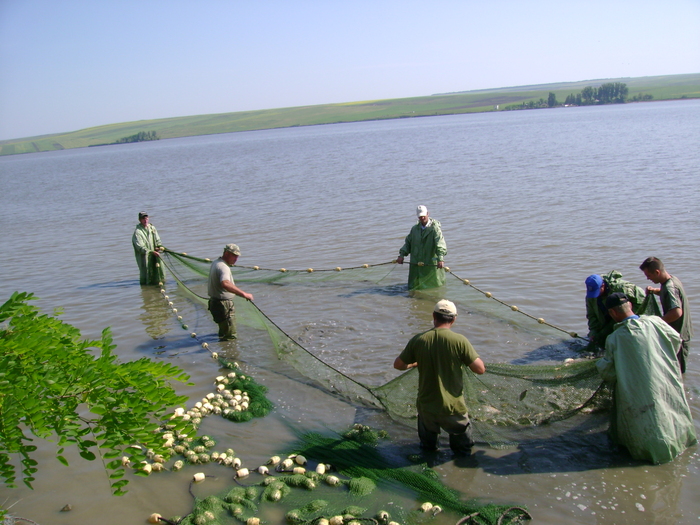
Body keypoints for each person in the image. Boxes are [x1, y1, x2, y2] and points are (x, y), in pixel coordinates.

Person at [596, 292, 696, 464]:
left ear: (612, 313)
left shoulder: (615, 338)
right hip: (665, 378)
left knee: (648, 419)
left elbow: (609, 372)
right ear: (631, 306)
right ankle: (683, 442)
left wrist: (598, 364)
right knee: (672, 409)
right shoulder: (656, 321)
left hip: (640, 391)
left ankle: (652, 452)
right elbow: (676, 340)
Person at [393, 299, 485, 454]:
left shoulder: (419, 340)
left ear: (433, 316)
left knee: (427, 450)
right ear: (454, 319)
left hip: (426, 406)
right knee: (463, 452)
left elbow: (398, 365)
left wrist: (413, 364)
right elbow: (480, 369)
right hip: (453, 407)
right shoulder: (460, 341)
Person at [639, 257, 693, 373]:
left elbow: (677, 312)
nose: (648, 278)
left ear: (657, 272)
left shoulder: (669, 287)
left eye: (649, 275)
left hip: (680, 336)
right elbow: (668, 294)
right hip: (679, 333)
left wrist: (657, 322)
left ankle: (681, 390)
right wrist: (654, 290)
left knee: (677, 371)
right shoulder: (671, 280)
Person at [585, 270, 646, 349]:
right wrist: (593, 333)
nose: (596, 295)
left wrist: (626, 316)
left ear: (603, 285)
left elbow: (641, 301)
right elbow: (591, 315)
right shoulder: (591, 296)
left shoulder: (621, 288)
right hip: (607, 319)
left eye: (597, 291)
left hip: (623, 319)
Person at [208, 244, 254, 341]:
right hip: (224, 305)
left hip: (215, 303)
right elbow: (225, 283)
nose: (236, 259)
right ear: (226, 253)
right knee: (230, 337)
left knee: (223, 331)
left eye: (237, 256)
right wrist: (244, 294)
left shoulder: (216, 262)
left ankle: (222, 348)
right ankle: (228, 354)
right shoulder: (224, 267)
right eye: (234, 256)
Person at [397, 205, 447, 290]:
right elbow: (408, 243)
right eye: (420, 216)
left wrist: (441, 258)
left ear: (428, 214)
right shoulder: (414, 229)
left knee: (434, 287)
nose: (422, 217)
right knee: (414, 288)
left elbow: (440, 243)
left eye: (424, 215)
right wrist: (402, 255)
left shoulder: (435, 229)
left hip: (430, 262)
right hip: (416, 261)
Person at [132, 211, 165, 285]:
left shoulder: (152, 228)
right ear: (139, 220)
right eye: (143, 218)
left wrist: (159, 246)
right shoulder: (137, 232)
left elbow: (158, 240)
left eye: (146, 218)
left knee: (159, 273)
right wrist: (151, 252)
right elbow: (140, 247)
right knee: (146, 277)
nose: (145, 220)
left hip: (155, 255)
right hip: (145, 258)